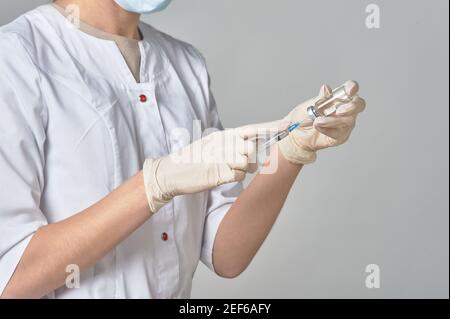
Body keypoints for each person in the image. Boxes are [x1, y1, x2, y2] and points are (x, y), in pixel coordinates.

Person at [0, 0, 366, 298]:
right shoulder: (16, 60)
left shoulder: (185, 65)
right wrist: (154, 185)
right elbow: (10, 276)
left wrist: (292, 151)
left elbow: (227, 254)